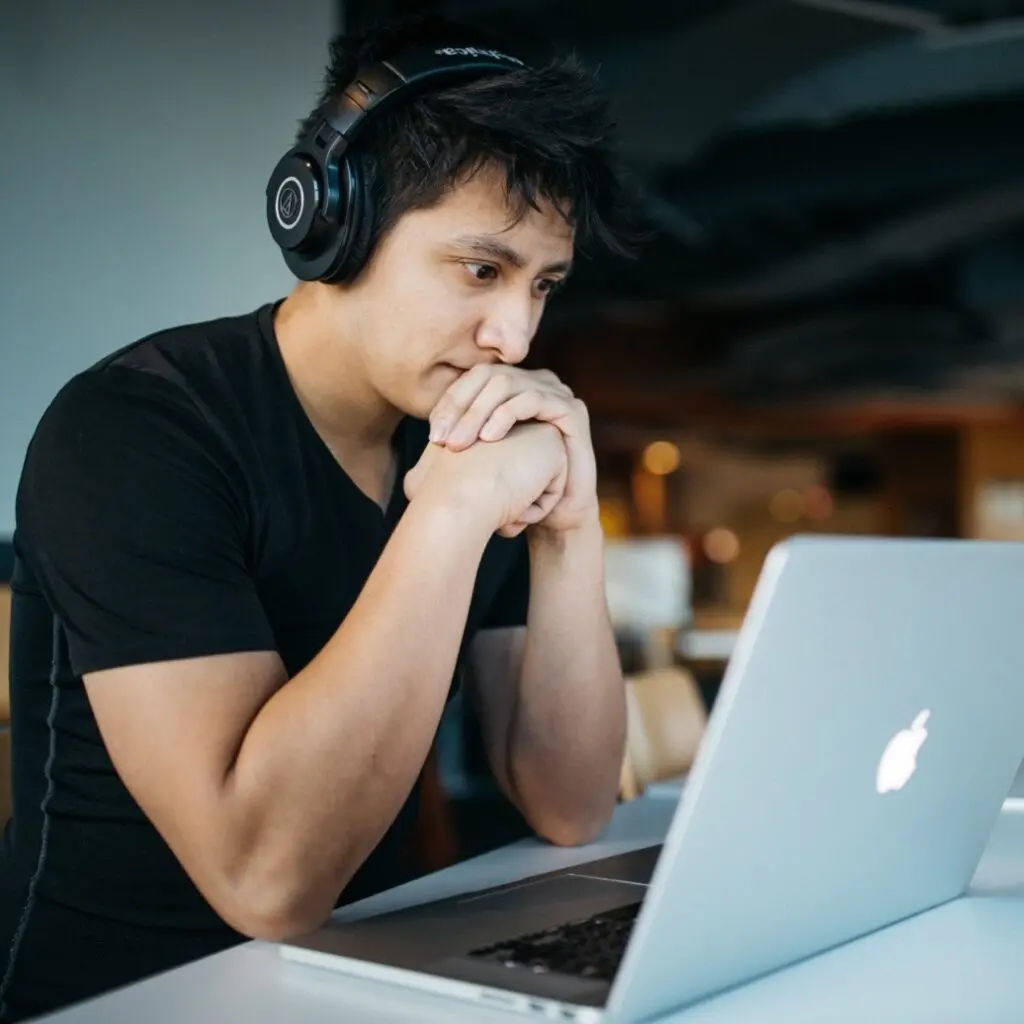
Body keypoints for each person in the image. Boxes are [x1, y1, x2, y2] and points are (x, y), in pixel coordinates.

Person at [0, 15, 635, 1020]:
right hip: (127, 996)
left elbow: (570, 802)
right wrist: (456, 506)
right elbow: (265, 882)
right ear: (334, 222)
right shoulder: (135, 430)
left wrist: (571, 526)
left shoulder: (458, 430)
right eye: (480, 268)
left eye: (542, 285)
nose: (513, 334)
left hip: (352, 983)